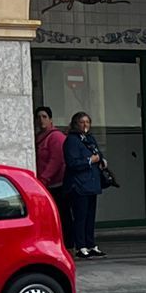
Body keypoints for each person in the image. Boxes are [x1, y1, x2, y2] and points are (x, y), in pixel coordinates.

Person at [62, 110, 106, 258]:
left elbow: (98, 154)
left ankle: (90, 243)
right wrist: (89, 161)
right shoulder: (72, 140)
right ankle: (80, 246)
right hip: (78, 184)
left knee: (90, 216)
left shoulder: (89, 139)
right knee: (80, 216)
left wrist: (102, 160)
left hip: (92, 183)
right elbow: (72, 163)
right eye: (82, 122)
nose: (85, 125)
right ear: (76, 124)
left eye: (87, 122)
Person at [34, 106, 70, 246]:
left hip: (56, 184)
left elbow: (56, 160)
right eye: (38, 117)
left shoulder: (55, 137)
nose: (41, 120)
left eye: (44, 117)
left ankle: (68, 244)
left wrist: (44, 178)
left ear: (50, 120)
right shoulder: (39, 137)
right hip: (46, 184)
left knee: (62, 214)